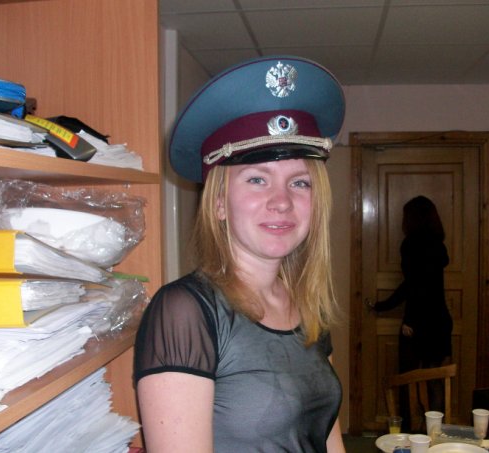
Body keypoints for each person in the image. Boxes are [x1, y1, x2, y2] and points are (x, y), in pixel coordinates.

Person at [134, 56, 347, 452]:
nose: (281, 201)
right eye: (257, 179)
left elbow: (327, 438)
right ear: (219, 203)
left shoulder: (306, 304)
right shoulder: (184, 312)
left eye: (299, 183)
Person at [369, 196, 453, 416]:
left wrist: (403, 316)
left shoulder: (411, 244)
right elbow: (423, 284)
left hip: (419, 321)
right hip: (440, 320)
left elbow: (414, 286)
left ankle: (410, 430)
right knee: (435, 379)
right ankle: (436, 431)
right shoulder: (439, 245)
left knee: (408, 379)